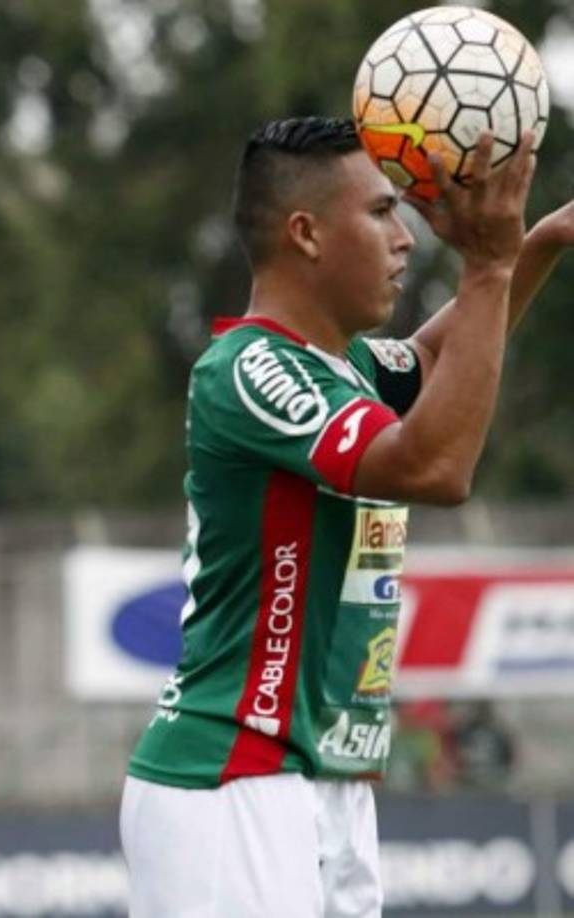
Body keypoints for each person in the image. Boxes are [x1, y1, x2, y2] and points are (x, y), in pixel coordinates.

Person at [120, 116, 574, 917]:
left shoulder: (342, 367)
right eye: (379, 212)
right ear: (305, 233)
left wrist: (536, 243)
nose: (404, 239)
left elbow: (438, 360)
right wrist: (486, 268)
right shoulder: (250, 366)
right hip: (231, 776)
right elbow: (431, 467)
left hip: (322, 777)